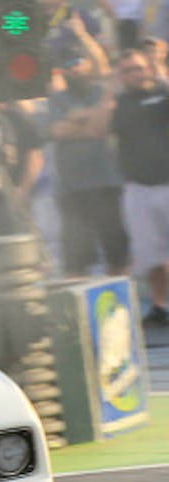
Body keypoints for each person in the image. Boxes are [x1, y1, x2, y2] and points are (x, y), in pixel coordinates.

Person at [48, 38, 130, 277]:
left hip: (108, 184)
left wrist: (77, 118)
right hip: (72, 189)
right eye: (69, 64)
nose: (75, 68)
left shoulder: (102, 92)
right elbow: (57, 130)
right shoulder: (56, 98)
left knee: (117, 254)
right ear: (62, 70)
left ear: (88, 64)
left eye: (78, 61)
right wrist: (96, 115)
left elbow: (101, 130)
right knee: (75, 260)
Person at [109, 48, 169, 325]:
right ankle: (160, 305)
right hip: (138, 188)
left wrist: (160, 72)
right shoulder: (120, 104)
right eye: (127, 70)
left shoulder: (163, 95)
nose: (135, 74)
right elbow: (99, 129)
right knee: (150, 255)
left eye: (138, 68)